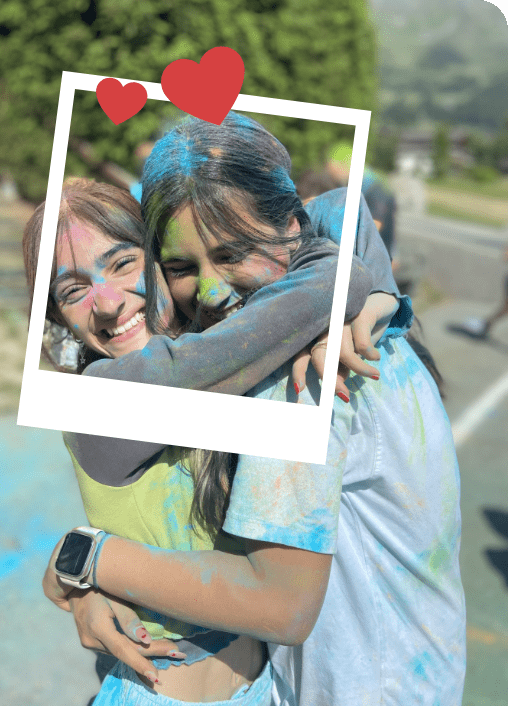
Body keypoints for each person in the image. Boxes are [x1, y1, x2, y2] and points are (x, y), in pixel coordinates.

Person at [42, 114, 465, 705]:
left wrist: (86, 558)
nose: (212, 293)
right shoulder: (355, 335)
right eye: (183, 267)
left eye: (234, 251)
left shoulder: (305, 379)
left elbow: (279, 605)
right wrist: (359, 285)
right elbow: (341, 210)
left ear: (294, 224)